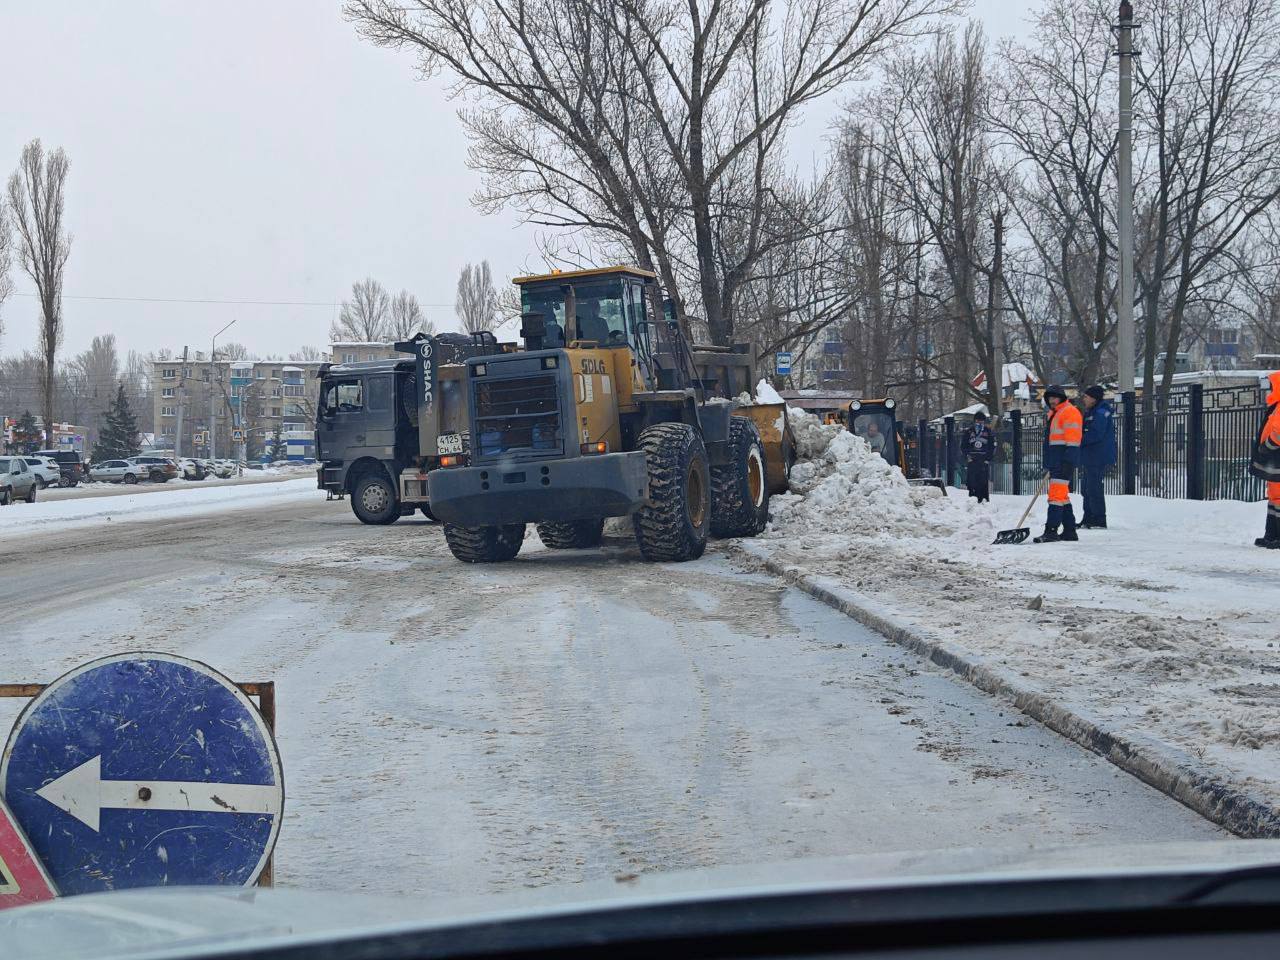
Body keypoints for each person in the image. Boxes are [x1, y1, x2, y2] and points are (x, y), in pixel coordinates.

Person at [1035, 385, 1083, 543]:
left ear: (1061, 398)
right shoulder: (1054, 414)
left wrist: (1067, 461)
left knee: (1055, 496)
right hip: (1056, 460)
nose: (1051, 400)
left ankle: (1051, 531)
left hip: (1064, 461)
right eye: (1049, 398)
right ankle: (1070, 530)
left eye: (1055, 397)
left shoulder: (1069, 412)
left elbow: (1073, 439)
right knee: (1062, 496)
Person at [1250, 371, 1280, 549]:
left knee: (1278, 498)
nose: (1270, 389)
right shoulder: (1276, 405)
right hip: (1273, 459)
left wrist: (1266, 447)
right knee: (1274, 497)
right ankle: (1271, 534)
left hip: (1275, 455)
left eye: (1272, 385)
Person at [1079, 385, 1116, 529]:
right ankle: (1088, 517)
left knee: (1093, 487)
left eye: (1086, 397)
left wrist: (1078, 440)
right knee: (1086, 488)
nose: (1084, 399)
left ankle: (1099, 518)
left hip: (1098, 456)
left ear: (1094, 398)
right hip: (1089, 456)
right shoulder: (1091, 412)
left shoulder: (1101, 413)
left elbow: (1096, 434)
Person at [960, 411, 995, 503]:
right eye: (978, 421)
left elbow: (992, 446)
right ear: (974, 421)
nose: (979, 423)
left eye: (981, 421)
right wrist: (967, 457)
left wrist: (988, 459)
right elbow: (963, 446)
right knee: (972, 482)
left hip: (983, 461)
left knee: (983, 482)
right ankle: (973, 500)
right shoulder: (969, 432)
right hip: (972, 460)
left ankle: (983, 500)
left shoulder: (988, 432)